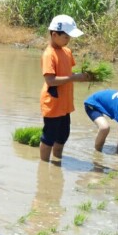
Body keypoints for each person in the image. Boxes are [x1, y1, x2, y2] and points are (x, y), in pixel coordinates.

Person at [40, 14, 91, 162]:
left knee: (63, 135)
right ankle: (43, 166)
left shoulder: (66, 51)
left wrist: (83, 76)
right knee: (49, 136)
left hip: (65, 102)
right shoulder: (49, 54)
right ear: (54, 34)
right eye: (66, 37)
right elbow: (50, 80)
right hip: (53, 102)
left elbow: (68, 73)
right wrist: (74, 77)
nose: (68, 40)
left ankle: (57, 161)